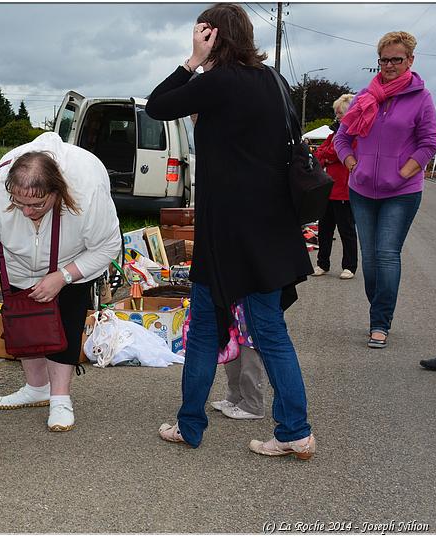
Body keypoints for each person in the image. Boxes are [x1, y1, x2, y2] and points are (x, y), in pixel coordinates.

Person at [146, 4, 316, 459]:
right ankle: (295, 430)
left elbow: (157, 105)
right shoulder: (274, 81)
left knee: (204, 329)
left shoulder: (217, 81)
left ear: (211, 35)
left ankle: (191, 426)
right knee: (271, 331)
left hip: (227, 232)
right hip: (273, 227)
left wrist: (191, 62)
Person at [0, 132, 121, 432]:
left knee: (67, 317)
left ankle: (60, 398)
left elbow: (108, 245)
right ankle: (36, 387)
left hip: (73, 256)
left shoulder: (87, 190)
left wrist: (64, 276)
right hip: (18, 260)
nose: (27, 212)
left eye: (36, 205)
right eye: (19, 203)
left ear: (57, 191)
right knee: (26, 319)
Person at [334, 31, 436, 349]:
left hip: (402, 191)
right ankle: (378, 310)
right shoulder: (365, 95)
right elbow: (342, 138)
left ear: (410, 60)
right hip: (362, 189)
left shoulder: (422, 98)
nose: (390, 65)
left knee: (386, 254)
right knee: (370, 260)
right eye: (384, 59)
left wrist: (401, 173)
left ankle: (380, 322)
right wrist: (354, 165)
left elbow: (429, 142)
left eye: (397, 59)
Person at [312, 94, 358, 280]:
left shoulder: (354, 134)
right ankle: (322, 263)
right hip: (329, 189)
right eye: (337, 113)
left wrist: (328, 154)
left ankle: (350, 266)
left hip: (344, 190)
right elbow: (321, 153)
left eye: (340, 113)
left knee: (346, 230)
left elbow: (336, 153)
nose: (337, 116)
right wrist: (329, 154)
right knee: (324, 229)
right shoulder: (333, 134)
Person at [210, 303, 267, 420]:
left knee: (250, 359)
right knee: (233, 352)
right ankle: (235, 397)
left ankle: (253, 404)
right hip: (234, 304)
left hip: (250, 303)